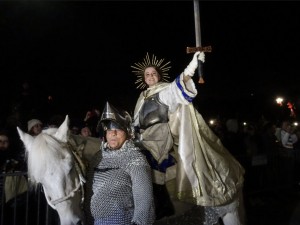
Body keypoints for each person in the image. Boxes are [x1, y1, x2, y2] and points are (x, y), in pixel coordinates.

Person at [131, 51, 245, 224]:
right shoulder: (141, 98)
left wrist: (192, 66)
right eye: (147, 74)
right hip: (144, 144)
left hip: (163, 146)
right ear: (143, 78)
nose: (150, 76)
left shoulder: (164, 92)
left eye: (154, 73)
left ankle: (171, 207)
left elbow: (178, 87)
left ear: (159, 75)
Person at [84, 102, 155, 225]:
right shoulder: (97, 158)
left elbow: (145, 204)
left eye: (118, 129)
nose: (113, 134)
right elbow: (89, 193)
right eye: (109, 130)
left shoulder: (135, 159)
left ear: (128, 132)